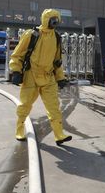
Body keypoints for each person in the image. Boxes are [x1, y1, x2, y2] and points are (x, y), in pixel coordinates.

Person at [9, 8, 72, 146]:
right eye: (52, 19)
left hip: (48, 77)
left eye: (57, 19)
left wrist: (60, 78)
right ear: (45, 19)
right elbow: (17, 54)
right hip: (31, 75)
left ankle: (59, 134)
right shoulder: (32, 34)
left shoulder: (56, 37)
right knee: (25, 104)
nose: (55, 22)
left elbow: (57, 61)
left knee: (54, 107)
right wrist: (16, 71)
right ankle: (20, 129)